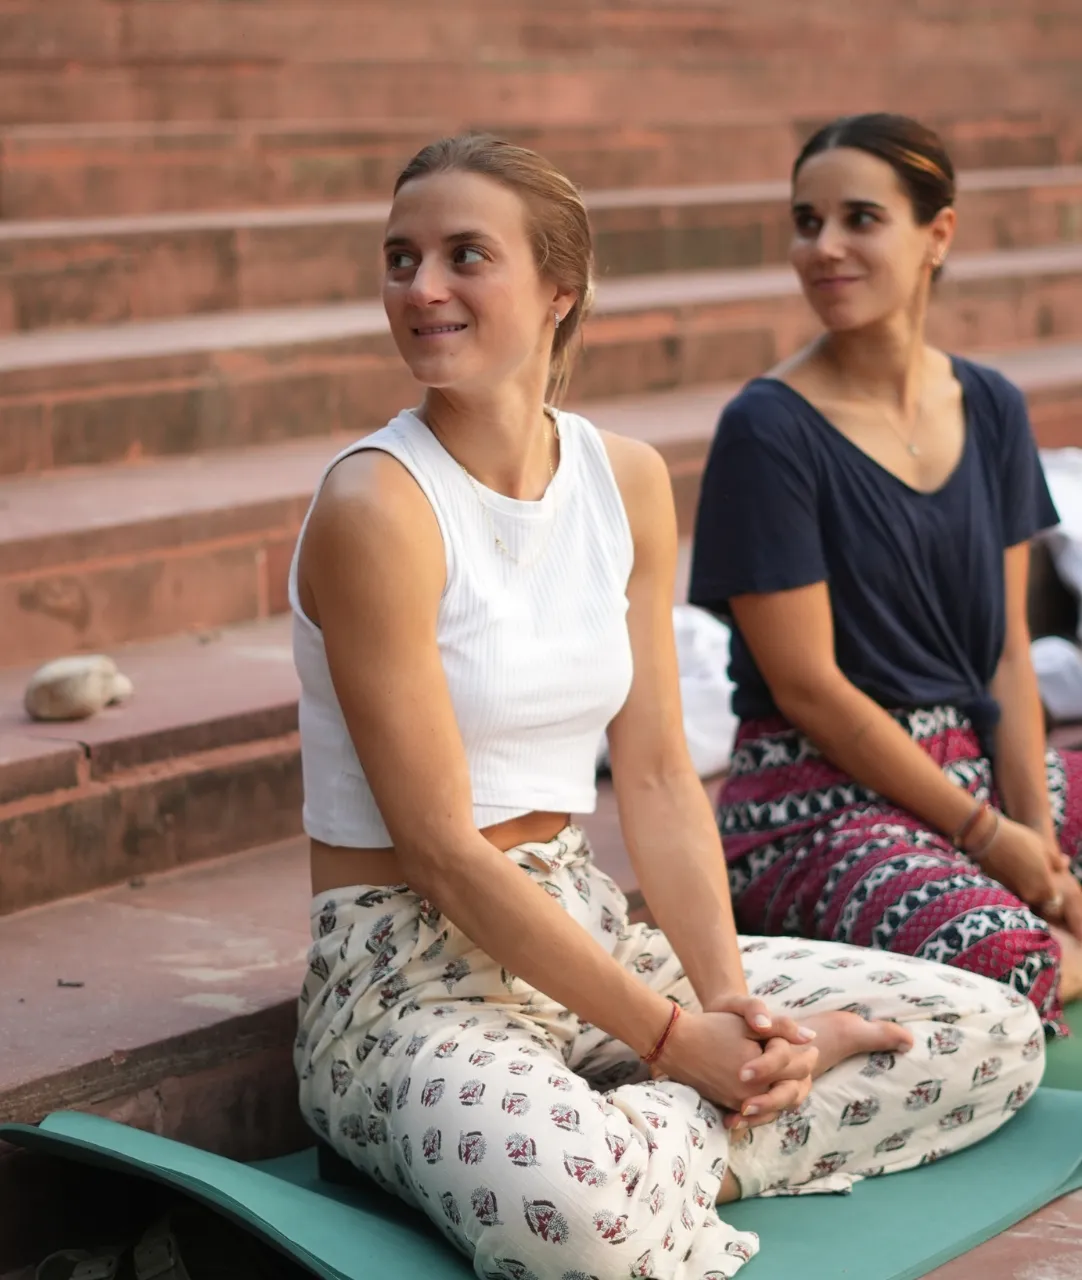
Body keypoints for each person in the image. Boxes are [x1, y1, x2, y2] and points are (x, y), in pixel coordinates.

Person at [290, 133, 1043, 1280]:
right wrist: (670, 1040)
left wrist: (728, 1007)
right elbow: (440, 851)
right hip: (410, 981)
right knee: (573, 1215)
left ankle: (666, 1128)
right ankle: (669, 1137)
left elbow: (651, 777)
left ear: (559, 288)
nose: (421, 287)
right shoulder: (376, 503)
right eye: (400, 258)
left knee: (987, 1031)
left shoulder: (623, 477)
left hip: (590, 929)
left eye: (463, 255)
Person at [688, 112, 1082, 1041]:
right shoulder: (767, 430)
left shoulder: (990, 405)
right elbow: (812, 690)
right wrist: (1000, 846)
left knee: (1035, 895)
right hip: (815, 803)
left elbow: (1007, 656)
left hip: (973, 769)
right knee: (1007, 959)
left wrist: (1042, 847)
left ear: (937, 233)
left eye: (859, 218)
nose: (822, 248)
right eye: (805, 221)